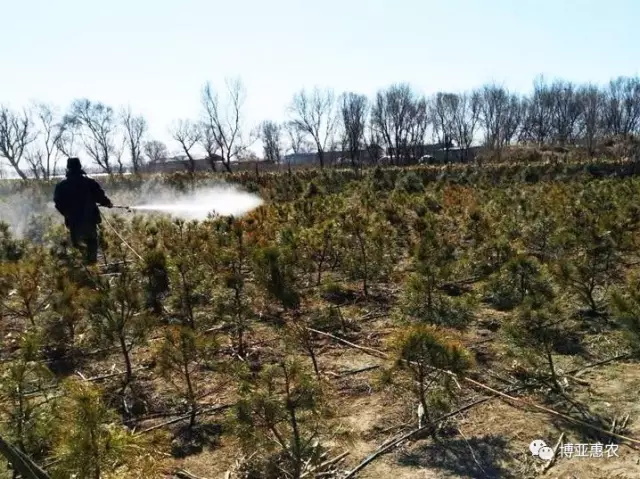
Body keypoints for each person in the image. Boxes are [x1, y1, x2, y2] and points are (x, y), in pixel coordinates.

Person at [54, 157, 113, 264]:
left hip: (73, 222)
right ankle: (92, 266)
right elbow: (100, 197)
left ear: (68, 168)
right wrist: (108, 203)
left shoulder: (61, 186)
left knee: (78, 246)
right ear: (80, 167)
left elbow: (58, 204)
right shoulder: (89, 182)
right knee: (91, 244)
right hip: (89, 220)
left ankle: (83, 269)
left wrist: (67, 214)